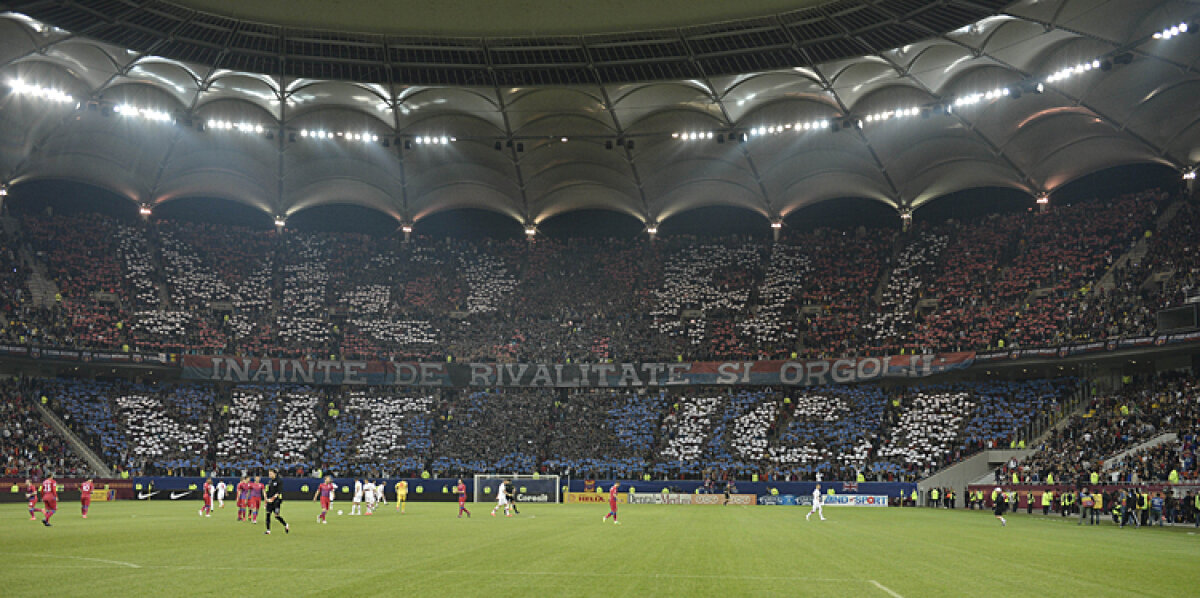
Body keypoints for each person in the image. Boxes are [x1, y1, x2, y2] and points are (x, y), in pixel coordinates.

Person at [262, 469, 289, 535]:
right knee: (268, 514)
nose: (269, 475)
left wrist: (273, 498)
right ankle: (268, 530)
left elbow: (279, 492)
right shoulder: (270, 482)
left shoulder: (279, 481)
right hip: (269, 500)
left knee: (276, 516)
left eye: (271, 473)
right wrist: (266, 502)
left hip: (277, 501)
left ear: (275, 474)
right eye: (269, 474)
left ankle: (286, 525)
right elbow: (268, 492)